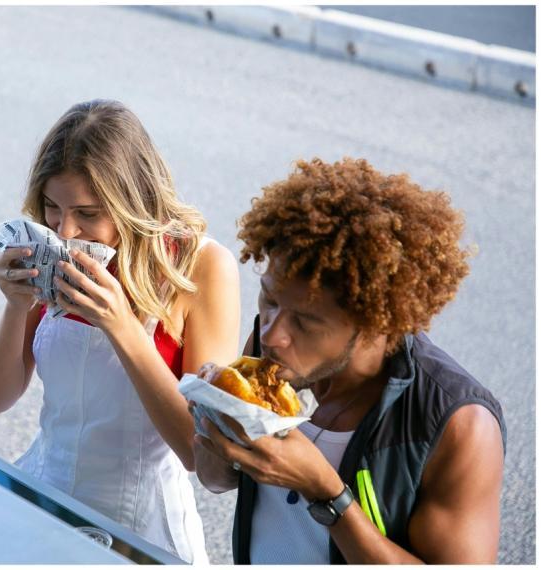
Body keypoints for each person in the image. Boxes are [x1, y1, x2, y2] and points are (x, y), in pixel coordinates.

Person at [193, 157, 506, 564]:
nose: (271, 333)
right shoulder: (275, 356)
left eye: (306, 321)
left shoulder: (458, 424)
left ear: (377, 321)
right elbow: (215, 479)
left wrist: (327, 494)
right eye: (269, 299)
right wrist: (213, 429)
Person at [0, 100, 240, 563]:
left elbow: (200, 455)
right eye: (53, 208)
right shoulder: (53, 250)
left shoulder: (203, 267)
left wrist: (122, 326)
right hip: (43, 501)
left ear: (134, 203)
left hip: (141, 533)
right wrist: (15, 308)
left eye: (88, 213)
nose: (67, 229)